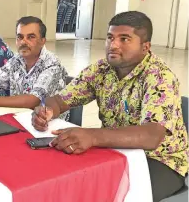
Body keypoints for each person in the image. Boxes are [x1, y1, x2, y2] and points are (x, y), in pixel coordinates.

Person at [31, 11, 188, 202]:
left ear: (145, 47)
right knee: (66, 181)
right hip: (115, 148)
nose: (113, 45)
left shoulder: (160, 77)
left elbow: (151, 136)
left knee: (114, 195)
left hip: (160, 160)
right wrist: (46, 112)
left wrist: (92, 135)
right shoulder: (101, 69)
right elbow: (60, 100)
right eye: (110, 38)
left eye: (124, 39)